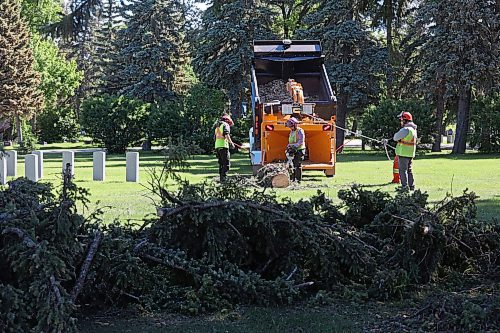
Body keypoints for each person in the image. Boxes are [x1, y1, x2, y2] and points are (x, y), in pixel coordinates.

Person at [393, 111, 417, 190]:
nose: (401, 122)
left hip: (403, 153)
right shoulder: (413, 129)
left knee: (402, 171)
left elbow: (395, 137)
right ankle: (411, 186)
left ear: (405, 120)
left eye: (401, 120)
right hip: (410, 153)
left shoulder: (406, 129)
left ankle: (404, 187)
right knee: (409, 170)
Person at [214, 114, 235, 181]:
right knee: (226, 164)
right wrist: (231, 143)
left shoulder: (217, 126)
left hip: (217, 146)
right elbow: (226, 134)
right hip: (223, 146)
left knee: (221, 164)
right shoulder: (225, 125)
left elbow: (215, 137)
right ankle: (224, 179)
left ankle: (221, 178)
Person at [286, 117, 306, 182]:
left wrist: (294, 146)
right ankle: (292, 179)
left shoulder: (300, 131)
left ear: (295, 125)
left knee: (297, 165)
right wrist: (289, 146)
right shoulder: (292, 132)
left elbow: (301, 141)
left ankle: (298, 180)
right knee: (292, 164)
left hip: (299, 150)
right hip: (293, 149)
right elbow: (291, 141)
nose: (290, 128)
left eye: (291, 126)